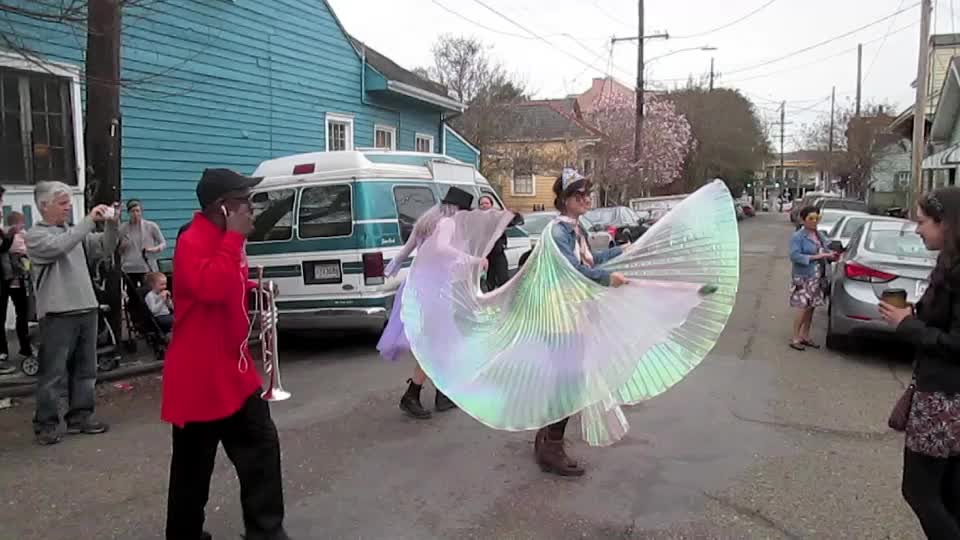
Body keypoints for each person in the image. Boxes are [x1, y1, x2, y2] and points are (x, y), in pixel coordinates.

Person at [398, 169, 733, 479]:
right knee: (568, 384)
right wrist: (607, 279)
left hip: (573, 315)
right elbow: (576, 272)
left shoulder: (575, 229)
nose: (587, 200)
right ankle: (552, 447)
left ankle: (547, 440)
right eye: (580, 196)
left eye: (588, 194)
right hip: (559, 319)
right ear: (566, 200)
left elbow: (587, 259)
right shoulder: (557, 231)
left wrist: (621, 251)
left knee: (566, 380)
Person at [161, 168, 290, 540]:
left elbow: (226, 279)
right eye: (244, 200)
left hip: (232, 369)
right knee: (192, 467)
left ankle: (266, 531)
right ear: (222, 206)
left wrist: (255, 286)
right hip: (199, 375)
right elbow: (209, 288)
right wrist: (234, 240)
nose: (251, 207)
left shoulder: (223, 237)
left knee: (262, 448)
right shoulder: (194, 238)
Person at [880, 188, 960, 539]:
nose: (917, 230)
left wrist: (907, 325)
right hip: (941, 393)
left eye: (922, 222)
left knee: (919, 490)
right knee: (950, 494)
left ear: (947, 224)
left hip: (945, 399)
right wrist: (915, 315)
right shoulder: (948, 264)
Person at [378, 186, 495, 419]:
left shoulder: (426, 223)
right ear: (458, 209)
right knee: (438, 345)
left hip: (418, 286)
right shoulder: (448, 223)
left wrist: (394, 266)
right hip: (435, 290)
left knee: (441, 344)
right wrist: (474, 260)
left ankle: (437, 394)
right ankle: (415, 394)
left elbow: (407, 249)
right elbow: (442, 250)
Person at [26, 181, 119, 445]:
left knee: (85, 369)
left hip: (86, 307)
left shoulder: (74, 233)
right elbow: (59, 247)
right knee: (53, 372)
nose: (68, 208)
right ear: (44, 206)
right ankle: (46, 423)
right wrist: (89, 220)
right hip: (57, 312)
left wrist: (111, 224)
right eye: (62, 203)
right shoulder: (36, 236)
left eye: (68, 202)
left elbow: (104, 248)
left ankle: (80, 416)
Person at [788, 206, 837, 351]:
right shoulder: (798, 236)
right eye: (811, 219)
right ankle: (795, 336)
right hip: (804, 276)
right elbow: (794, 256)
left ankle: (805, 335)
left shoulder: (819, 235)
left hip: (818, 276)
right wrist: (816, 257)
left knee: (811, 307)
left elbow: (826, 248)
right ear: (803, 220)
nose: (814, 222)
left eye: (817, 218)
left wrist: (831, 254)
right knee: (803, 307)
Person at [0, 211, 33, 365]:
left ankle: (25, 347)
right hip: (8, 277)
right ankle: (5, 351)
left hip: (16, 278)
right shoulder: (12, 235)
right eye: (21, 223)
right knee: (15, 314)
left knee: (22, 313)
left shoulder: (15, 234)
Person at [118, 199, 166, 288]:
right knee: (132, 295)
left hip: (146, 266)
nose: (135, 214)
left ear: (141, 212)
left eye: (137, 211)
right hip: (129, 267)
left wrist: (154, 249)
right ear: (128, 213)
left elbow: (163, 243)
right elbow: (118, 251)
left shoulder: (151, 226)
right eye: (133, 211)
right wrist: (123, 245)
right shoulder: (123, 229)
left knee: (147, 293)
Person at [477, 195, 522, 291]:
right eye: (482, 204)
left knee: (503, 279)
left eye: (486, 203)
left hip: (498, 253)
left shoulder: (498, 216)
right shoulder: (476, 219)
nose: (484, 205)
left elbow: (515, 221)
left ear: (491, 205)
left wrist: (515, 214)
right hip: (484, 256)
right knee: (489, 282)